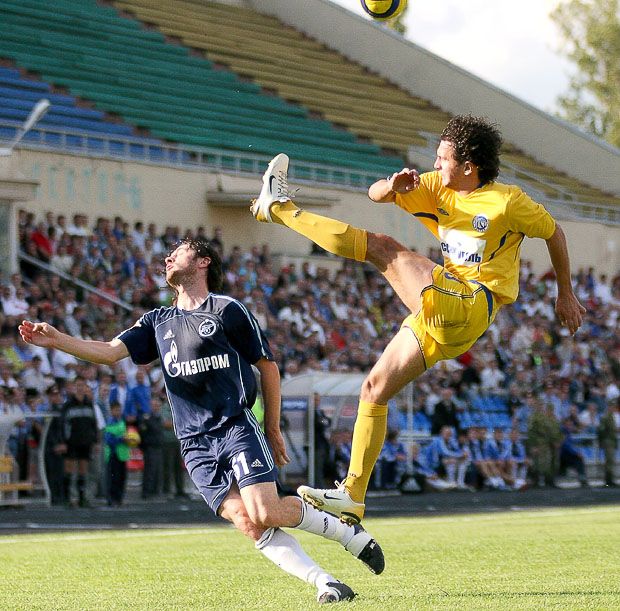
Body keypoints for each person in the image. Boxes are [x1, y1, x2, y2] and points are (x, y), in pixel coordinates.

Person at [251, 115, 585, 523]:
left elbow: (554, 233)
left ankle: (279, 207)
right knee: (373, 389)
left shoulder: (507, 201)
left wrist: (564, 292)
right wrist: (392, 187)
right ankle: (353, 495)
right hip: (445, 319)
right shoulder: (433, 185)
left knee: (384, 248)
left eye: (443, 157)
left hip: (472, 302)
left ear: (468, 166)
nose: (436, 162)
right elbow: (374, 194)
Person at [18, 237, 384, 604]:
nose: (167, 258)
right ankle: (326, 583)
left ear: (203, 261)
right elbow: (110, 352)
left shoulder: (227, 310)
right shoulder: (156, 322)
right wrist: (59, 340)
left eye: (176, 252)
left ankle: (344, 531)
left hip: (235, 426)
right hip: (193, 443)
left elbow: (268, 368)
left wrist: (271, 428)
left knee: (266, 510)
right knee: (248, 521)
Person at [61, 376, 98, 507]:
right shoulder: (68, 405)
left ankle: (82, 498)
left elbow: (94, 424)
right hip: (72, 441)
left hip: (86, 441)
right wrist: (63, 442)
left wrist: (95, 441)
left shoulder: (89, 403)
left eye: (82, 385)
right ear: (74, 387)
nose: (80, 388)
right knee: (69, 470)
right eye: (78, 385)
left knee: (83, 470)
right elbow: (63, 424)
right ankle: (67, 499)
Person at [103, 401, 130, 506]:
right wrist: (121, 439)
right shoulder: (110, 422)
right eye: (115, 410)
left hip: (122, 454)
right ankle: (111, 498)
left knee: (121, 478)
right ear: (111, 411)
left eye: (119, 410)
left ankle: (119, 498)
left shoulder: (122, 421)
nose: (118, 412)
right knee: (113, 478)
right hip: (113, 454)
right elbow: (108, 439)